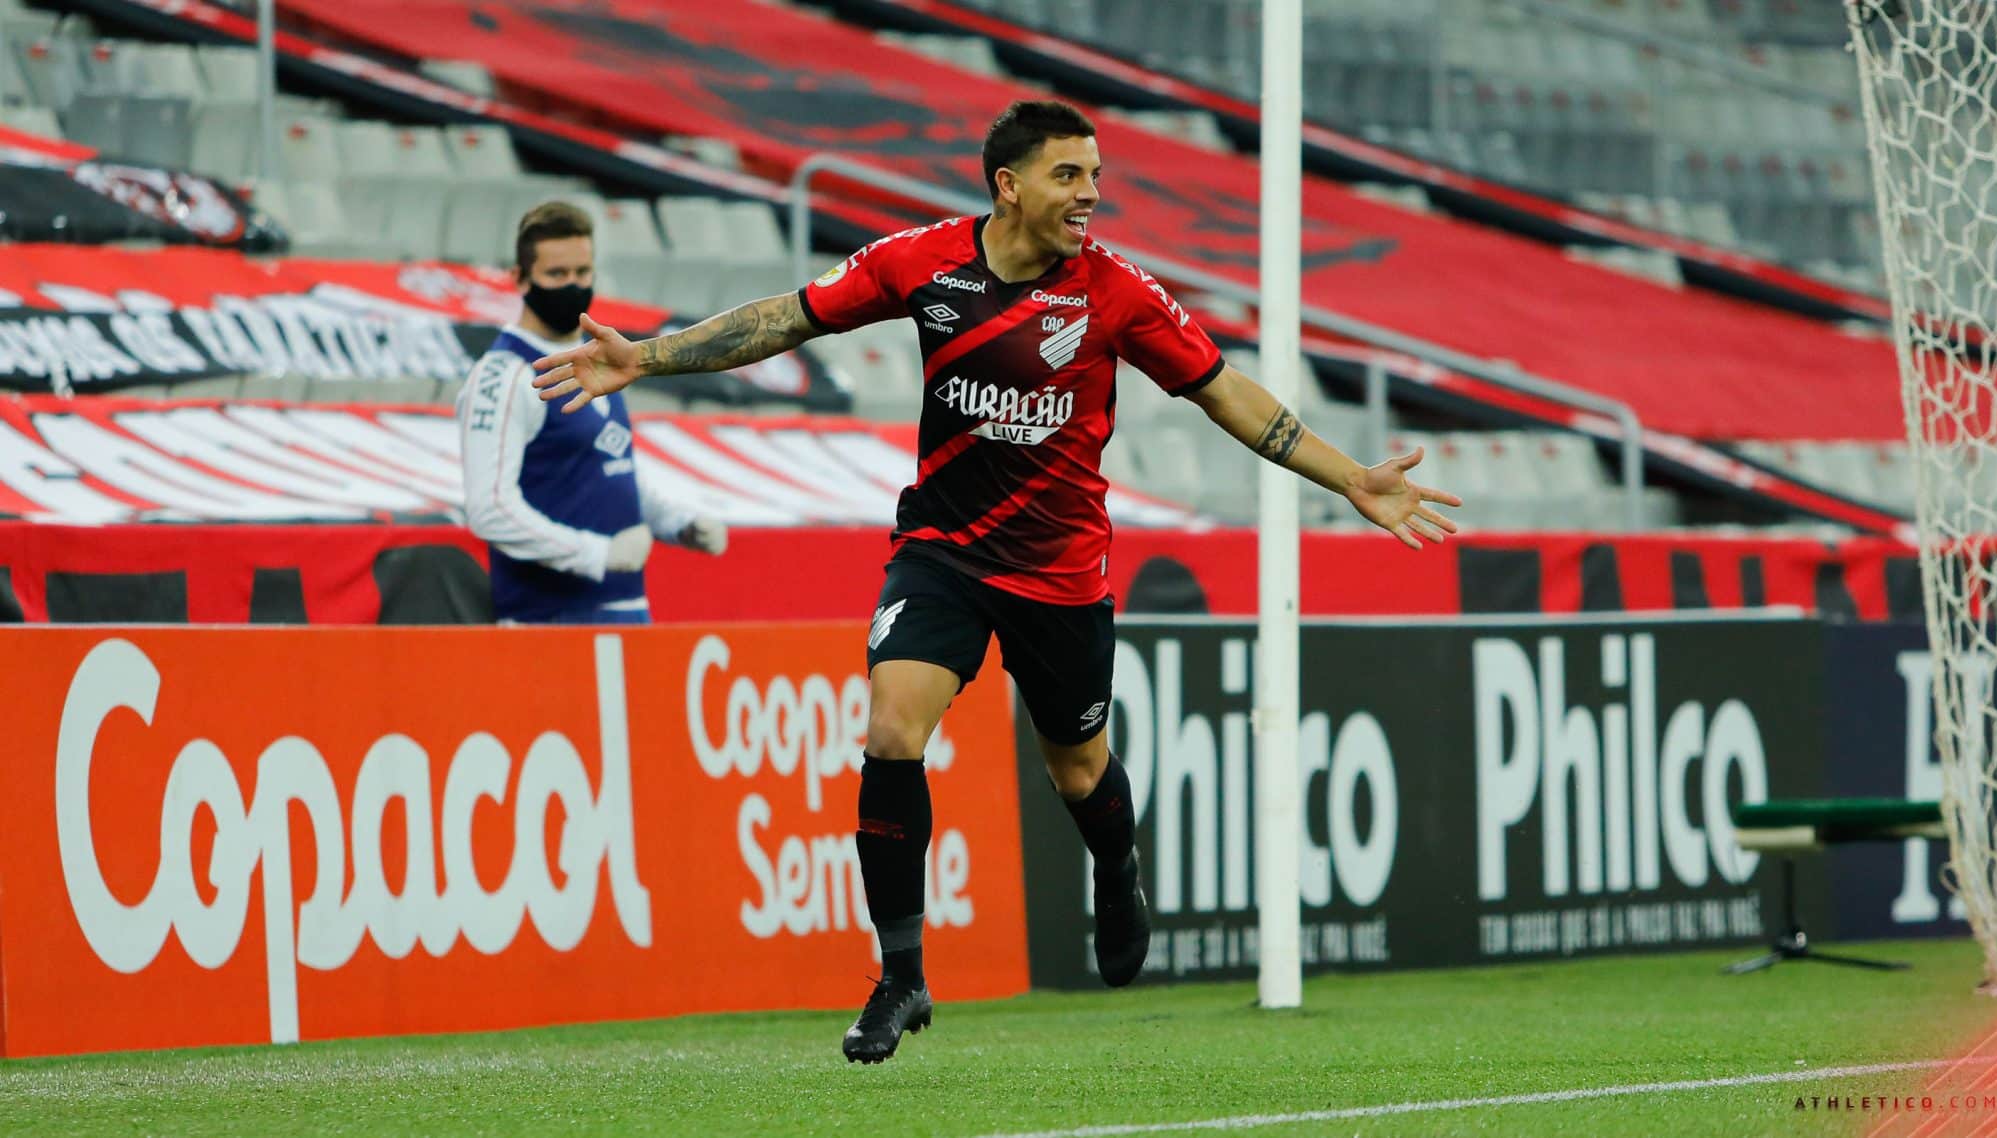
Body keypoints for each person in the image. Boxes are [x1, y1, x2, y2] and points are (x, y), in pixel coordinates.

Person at [530, 101, 1460, 1061]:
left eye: (1096, 176)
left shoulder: (1118, 293)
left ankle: (1115, 864)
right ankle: (900, 977)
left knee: (1079, 770)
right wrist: (648, 355)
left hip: (1060, 575)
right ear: (1008, 185)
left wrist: (1351, 477)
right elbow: (786, 319)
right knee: (892, 726)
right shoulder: (920, 262)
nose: (1091, 195)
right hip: (941, 554)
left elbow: (1225, 390)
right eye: (1069, 176)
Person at [457, 201, 727, 625]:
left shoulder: (598, 358)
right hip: (549, 620)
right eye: (556, 275)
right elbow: (489, 508)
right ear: (519, 279)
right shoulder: (505, 374)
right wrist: (597, 553)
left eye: (582, 273)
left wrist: (677, 523)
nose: (572, 285)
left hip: (626, 610)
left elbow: (604, 472)